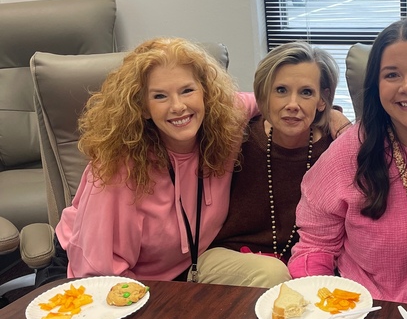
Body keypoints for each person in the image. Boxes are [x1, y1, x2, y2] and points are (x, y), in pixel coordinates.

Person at [289, 18, 407, 303]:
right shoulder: (348, 152)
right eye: (392, 75)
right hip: (371, 313)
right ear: (376, 84)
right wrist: (324, 308)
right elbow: (314, 247)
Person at [54, 38, 256, 282]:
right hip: (94, 271)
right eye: (160, 96)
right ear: (142, 108)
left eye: (187, 90)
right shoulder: (119, 168)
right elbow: (98, 272)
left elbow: (268, 101)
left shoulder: (226, 122)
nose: (178, 106)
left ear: (207, 93)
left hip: (183, 268)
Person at [194, 41, 340, 289]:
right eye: (281, 90)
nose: (292, 104)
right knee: (274, 273)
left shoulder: (335, 149)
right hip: (228, 257)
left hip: (305, 263)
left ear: (322, 100)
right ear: (264, 95)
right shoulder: (237, 135)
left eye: (306, 92)